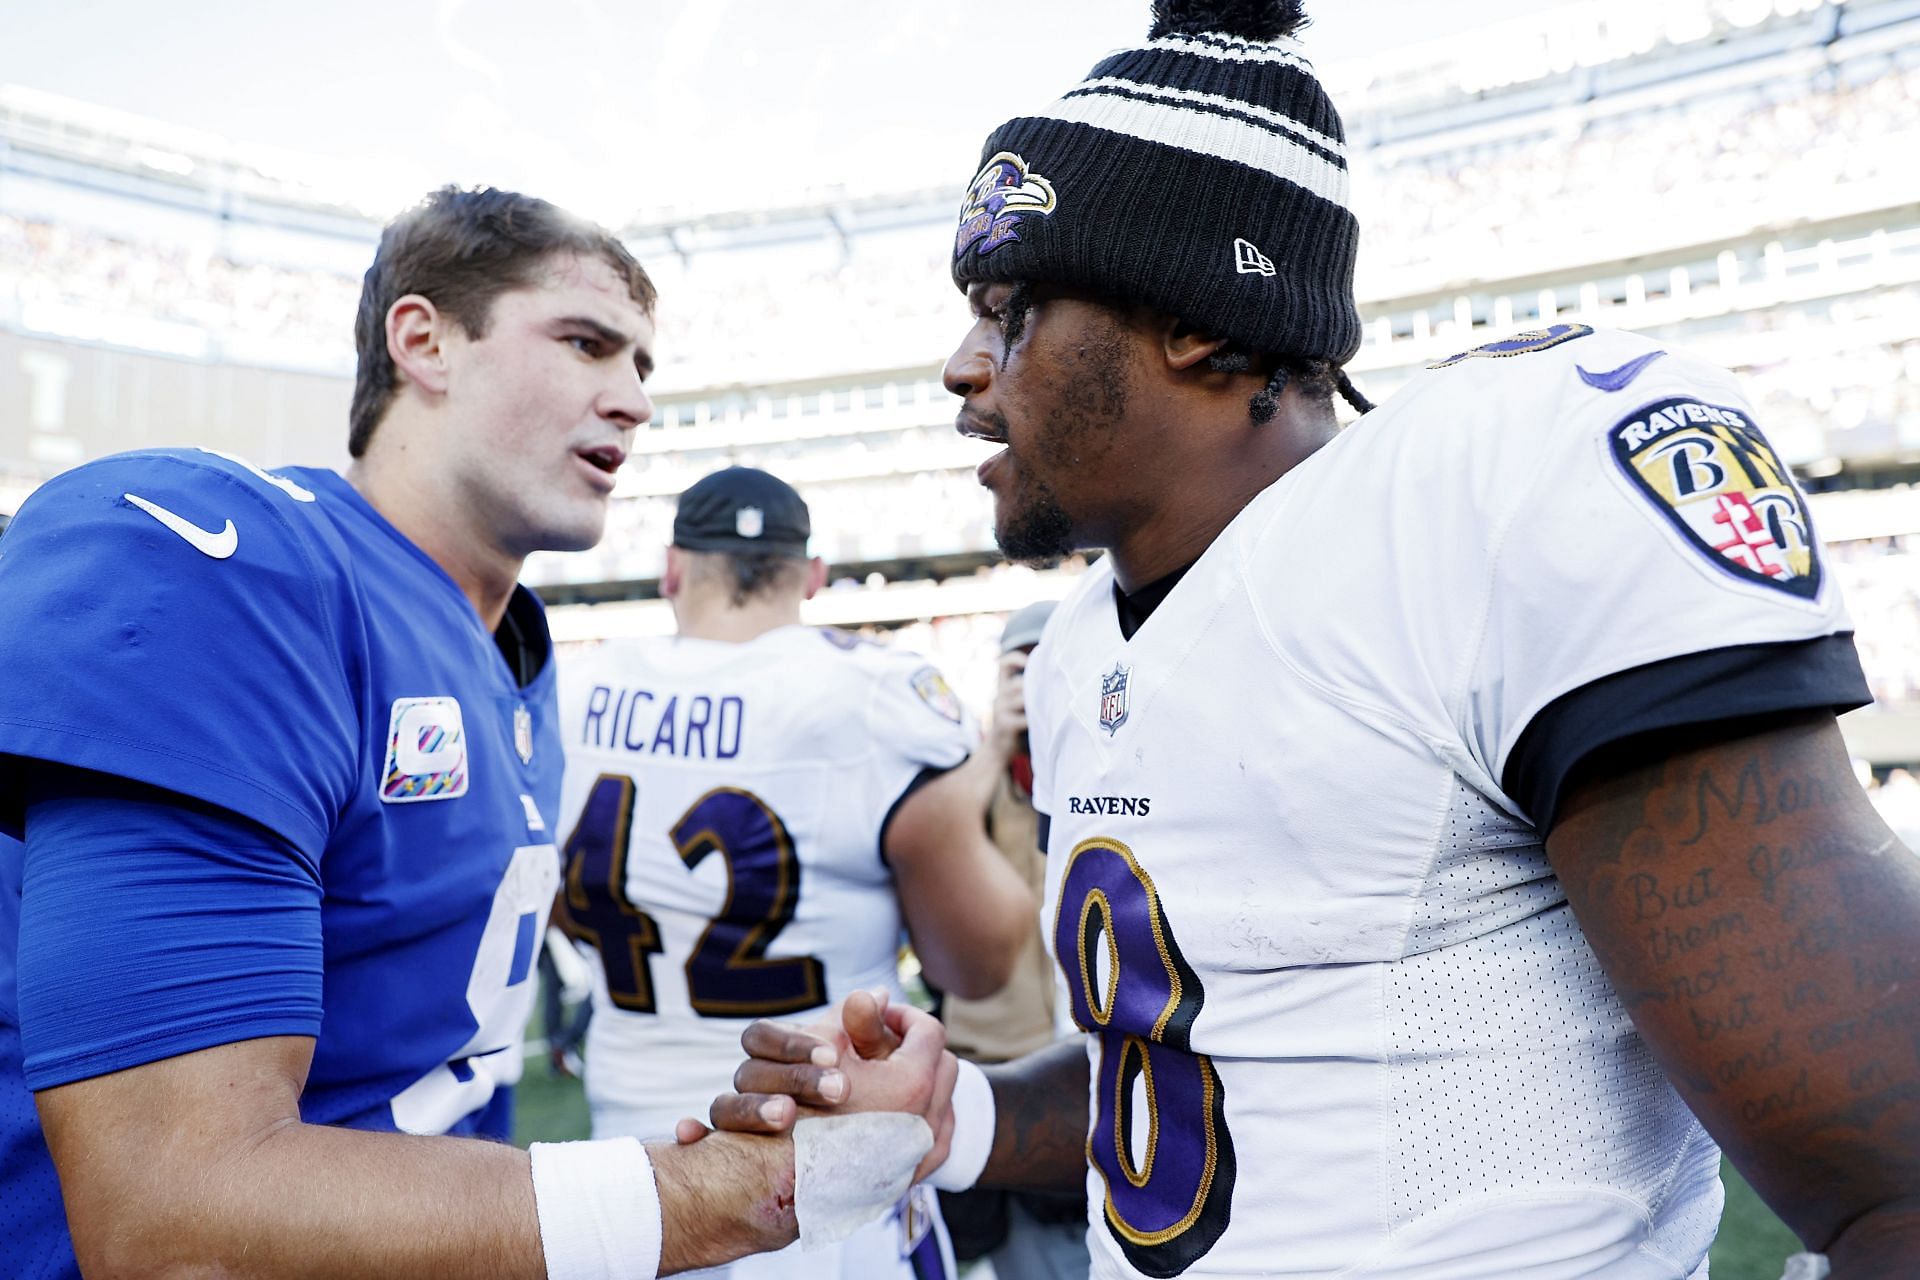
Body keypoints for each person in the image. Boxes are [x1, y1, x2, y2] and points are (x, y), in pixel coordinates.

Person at [696, 2, 1920, 1275]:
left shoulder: (1474, 500)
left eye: (1012, 308)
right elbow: (1195, 1068)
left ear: (1198, 321)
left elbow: (1893, 1176)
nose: (964, 363)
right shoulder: (1073, 652)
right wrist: (968, 1114)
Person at [0, 186, 896, 1280]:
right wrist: (698, 1196)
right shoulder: (237, 569)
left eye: (642, 366)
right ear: (423, 341)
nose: (631, 400)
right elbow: (172, 1211)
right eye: (585, 343)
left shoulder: (517, 648)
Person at [553, 464, 1037, 1280]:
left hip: (625, 1174)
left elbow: (562, 908)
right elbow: (977, 963)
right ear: (811, 576)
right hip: (817, 1180)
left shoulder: (579, 691)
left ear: (672, 568)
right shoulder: (875, 691)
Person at [935, 600, 1092, 1280]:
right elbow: (936, 851)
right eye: (1021, 672)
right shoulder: (972, 769)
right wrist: (997, 742)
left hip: (1092, 1061)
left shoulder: (1108, 753)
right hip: (1003, 1067)